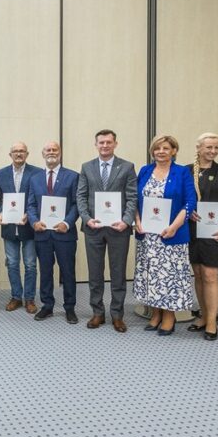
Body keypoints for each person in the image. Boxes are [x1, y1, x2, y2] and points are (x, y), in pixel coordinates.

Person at [133, 135, 197, 336]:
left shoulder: (182, 172)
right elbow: (134, 199)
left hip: (171, 234)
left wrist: (174, 226)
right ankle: (155, 313)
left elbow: (190, 202)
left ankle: (169, 316)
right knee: (152, 275)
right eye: (157, 148)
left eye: (166, 148)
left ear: (174, 151)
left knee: (170, 276)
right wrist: (137, 221)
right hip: (148, 236)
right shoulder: (145, 170)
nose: (161, 152)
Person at [77, 129, 138, 333]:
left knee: (118, 273)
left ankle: (117, 315)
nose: (105, 146)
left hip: (118, 229)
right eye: (101, 142)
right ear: (96, 145)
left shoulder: (127, 167)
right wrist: (87, 219)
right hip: (93, 228)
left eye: (108, 142)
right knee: (95, 273)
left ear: (115, 144)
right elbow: (81, 197)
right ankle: (98, 312)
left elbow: (132, 197)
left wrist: (126, 221)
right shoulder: (87, 167)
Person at [186, 133, 218, 340]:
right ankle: (204, 316)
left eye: (216, 147)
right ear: (198, 148)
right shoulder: (187, 171)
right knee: (198, 274)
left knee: (210, 275)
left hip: (214, 231)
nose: (213, 151)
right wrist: (188, 211)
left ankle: (213, 321)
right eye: (208, 147)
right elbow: (181, 198)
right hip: (191, 230)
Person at [26, 141, 80, 324]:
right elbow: (31, 205)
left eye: (54, 150)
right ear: (43, 154)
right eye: (48, 150)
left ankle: (70, 307)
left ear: (60, 153)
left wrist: (67, 223)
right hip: (42, 234)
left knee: (68, 272)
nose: (51, 152)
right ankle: (47, 305)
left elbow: (77, 204)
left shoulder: (73, 176)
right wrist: (34, 222)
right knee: (45, 271)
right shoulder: (34, 178)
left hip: (65, 234)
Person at [0, 142, 42, 313]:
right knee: (12, 263)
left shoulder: (37, 173)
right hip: (9, 227)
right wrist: (0, 212)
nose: (19, 154)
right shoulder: (1, 174)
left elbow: (39, 199)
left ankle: (29, 298)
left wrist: (30, 215)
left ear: (27, 154)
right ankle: (16, 296)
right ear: (10, 155)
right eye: (15, 151)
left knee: (30, 264)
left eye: (22, 151)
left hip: (28, 226)